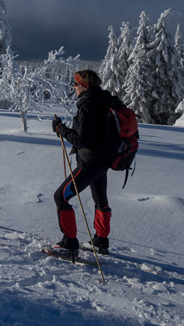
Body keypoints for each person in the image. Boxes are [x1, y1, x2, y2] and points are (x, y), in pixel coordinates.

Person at [49, 69, 123, 256]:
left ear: (84, 85)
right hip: (103, 160)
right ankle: (101, 241)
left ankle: (69, 243)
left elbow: (80, 140)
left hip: (90, 163)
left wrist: (60, 129)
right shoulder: (104, 100)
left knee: (61, 197)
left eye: (75, 84)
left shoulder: (89, 107)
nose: (73, 87)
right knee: (100, 201)